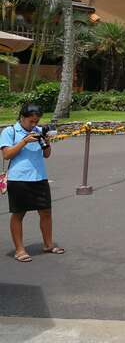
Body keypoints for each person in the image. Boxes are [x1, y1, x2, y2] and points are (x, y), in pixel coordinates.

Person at [1, 103, 64, 262]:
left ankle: (48, 244)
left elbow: (47, 155)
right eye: (31, 121)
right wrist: (24, 141)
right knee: (18, 213)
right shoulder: (10, 131)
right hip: (19, 179)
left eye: (37, 121)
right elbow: (7, 155)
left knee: (46, 212)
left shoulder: (38, 131)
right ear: (22, 118)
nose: (34, 124)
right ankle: (20, 250)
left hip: (39, 177)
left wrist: (46, 141)